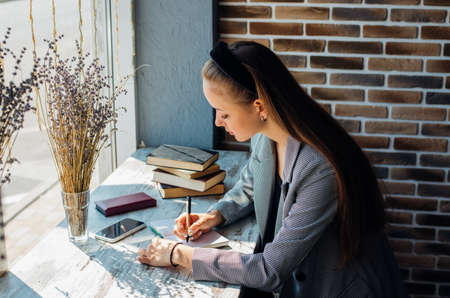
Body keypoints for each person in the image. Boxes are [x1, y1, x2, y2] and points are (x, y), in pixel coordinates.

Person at [137, 41, 408, 297]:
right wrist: (216, 215)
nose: (218, 122)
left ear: (259, 106)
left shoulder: (318, 169)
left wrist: (179, 254)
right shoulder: (265, 135)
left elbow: (270, 270)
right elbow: (250, 185)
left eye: (224, 112)